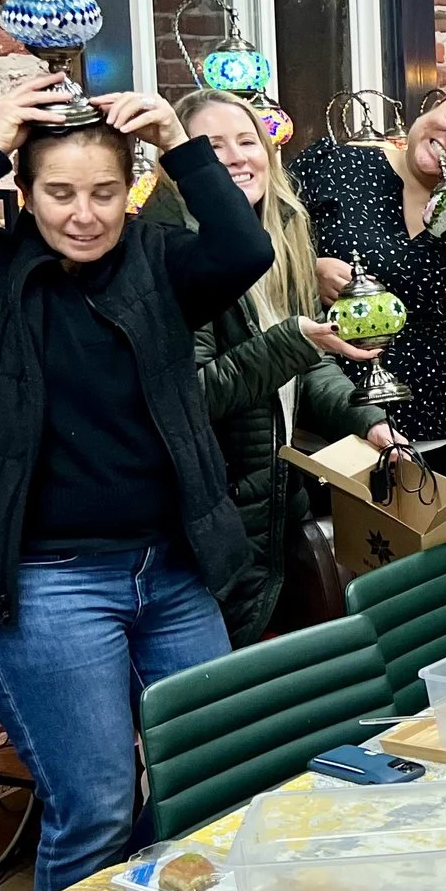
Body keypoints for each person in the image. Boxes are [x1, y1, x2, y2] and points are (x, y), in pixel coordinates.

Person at [0, 77, 272, 891]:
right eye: (58, 193)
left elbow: (244, 251)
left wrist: (177, 138)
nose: (83, 215)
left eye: (103, 192)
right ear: (24, 193)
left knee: (213, 777)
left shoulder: (160, 264)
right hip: (48, 585)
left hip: (172, 571)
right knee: (93, 804)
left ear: (133, 192)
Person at [148, 89, 399, 639]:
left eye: (247, 141)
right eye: (211, 148)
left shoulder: (280, 239)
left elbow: (306, 365)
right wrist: (295, 341)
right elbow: (194, 395)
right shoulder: (173, 254)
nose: (238, 157)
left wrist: (367, 420)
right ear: (180, 167)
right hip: (213, 516)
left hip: (277, 504)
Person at [292, 82, 446, 476]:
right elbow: (261, 258)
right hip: (318, 431)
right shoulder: (335, 167)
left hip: (429, 443)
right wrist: (307, 271)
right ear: (434, 107)